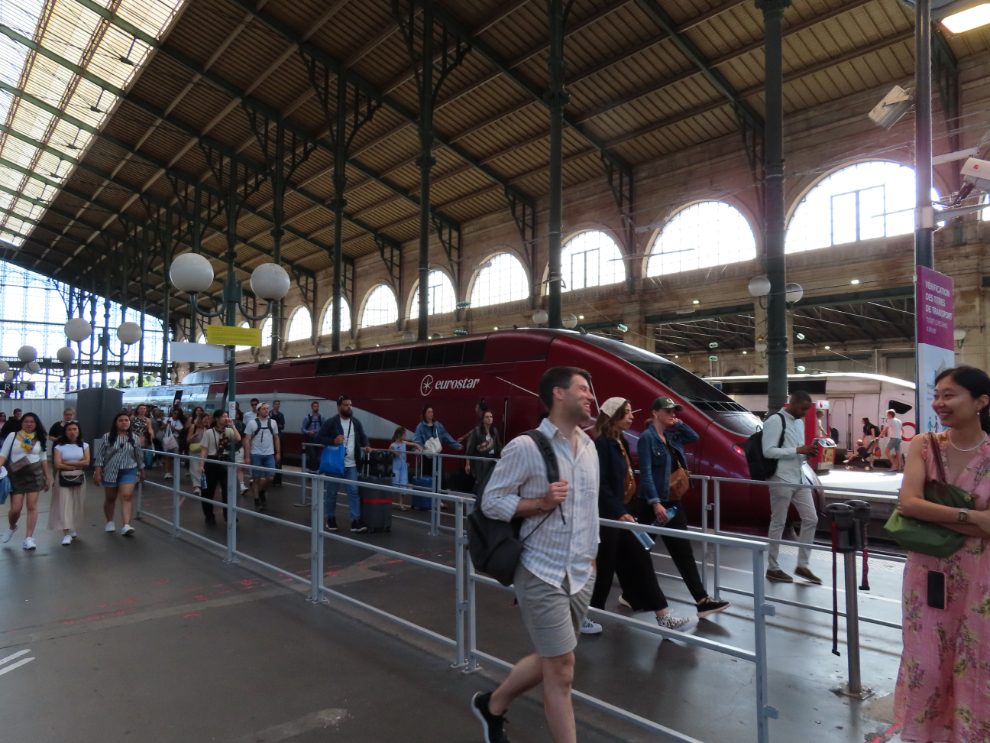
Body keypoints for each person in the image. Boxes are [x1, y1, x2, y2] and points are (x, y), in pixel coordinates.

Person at [473, 367, 599, 743]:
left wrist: (592, 556)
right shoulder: (525, 447)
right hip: (541, 569)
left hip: (580, 573)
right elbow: (491, 502)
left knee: (554, 658)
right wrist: (540, 502)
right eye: (583, 389)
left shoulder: (589, 448)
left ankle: (492, 704)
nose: (590, 396)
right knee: (561, 669)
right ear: (559, 394)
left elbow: (589, 510)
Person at [893, 365, 990, 742]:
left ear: (981, 402)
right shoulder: (925, 444)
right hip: (927, 576)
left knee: (977, 662)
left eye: (949, 395)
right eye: (937, 395)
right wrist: (974, 517)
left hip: (981, 580)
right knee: (927, 662)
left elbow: (920, 507)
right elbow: (908, 504)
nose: (939, 403)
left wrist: (933, 514)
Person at [637, 397, 729, 619]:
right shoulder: (647, 438)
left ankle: (702, 601)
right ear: (655, 412)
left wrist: (678, 423)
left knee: (683, 552)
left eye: (674, 411)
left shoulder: (671, 435)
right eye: (668, 411)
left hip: (673, 503)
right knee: (639, 551)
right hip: (652, 504)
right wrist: (655, 503)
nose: (673, 414)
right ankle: (631, 593)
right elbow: (646, 474)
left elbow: (693, 436)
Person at [761, 391, 822, 584]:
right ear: (793, 404)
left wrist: (806, 453)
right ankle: (773, 567)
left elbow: (797, 451)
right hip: (781, 477)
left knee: (811, 518)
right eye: (803, 408)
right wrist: (797, 450)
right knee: (778, 521)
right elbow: (768, 451)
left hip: (798, 477)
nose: (805, 413)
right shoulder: (775, 421)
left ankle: (802, 565)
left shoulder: (799, 423)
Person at [315, 396, 372, 532]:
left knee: (353, 492)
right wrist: (333, 441)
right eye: (346, 405)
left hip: (351, 464)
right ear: (339, 407)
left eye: (350, 405)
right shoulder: (331, 422)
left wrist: (367, 445)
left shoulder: (356, 422)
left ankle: (355, 521)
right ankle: (331, 519)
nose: (349, 407)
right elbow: (318, 437)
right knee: (331, 492)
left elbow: (363, 436)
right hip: (335, 464)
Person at [0, 412, 51, 551]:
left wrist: (47, 477)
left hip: (35, 475)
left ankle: (29, 538)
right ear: (21, 423)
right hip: (16, 475)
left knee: (32, 506)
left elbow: (43, 458)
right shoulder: (13, 436)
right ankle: (12, 526)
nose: (29, 424)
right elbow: (3, 455)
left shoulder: (39, 438)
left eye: (32, 422)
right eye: (26, 421)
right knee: (15, 509)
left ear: (36, 424)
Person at [94, 412, 145, 537]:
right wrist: (98, 473)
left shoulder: (134, 438)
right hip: (110, 471)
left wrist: (142, 471)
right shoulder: (107, 437)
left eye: (126, 420)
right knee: (110, 498)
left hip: (129, 470)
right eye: (121, 420)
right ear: (116, 423)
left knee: (126, 496)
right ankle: (109, 521)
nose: (124, 423)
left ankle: (126, 525)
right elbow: (100, 456)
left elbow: (138, 455)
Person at [50, 421, 89, 545]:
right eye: (69, 429)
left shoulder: (84, 446)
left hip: (79, 476)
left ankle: (72, 526)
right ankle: (66, 533)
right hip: (63, 477)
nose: (72, 432)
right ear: (65, 432)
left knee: (76, 502)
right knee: (64, 503)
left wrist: (67, 463)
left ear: (78, 431)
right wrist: (77, 463)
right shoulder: (59, 447)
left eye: (74, 429)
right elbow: (57, 464)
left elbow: (87, 462)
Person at [200, 411, 240, 524]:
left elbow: (238, 438)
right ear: (217, 419)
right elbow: (204, 450)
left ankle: (229, 515)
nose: (226, 418)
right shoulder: (209, 432)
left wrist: (233, 426)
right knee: (208, 491)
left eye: (227, 416)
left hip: (225, 460)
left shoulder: (228, 431)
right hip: (212, 461)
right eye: (223, 416)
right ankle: (209, 515)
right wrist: (201, 465)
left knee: (228, 490)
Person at [243, 402, 280, 512]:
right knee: (256, 479)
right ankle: (256, 500)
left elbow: (276, 438)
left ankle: (261, 492)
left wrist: (278, 452)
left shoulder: (273, 423)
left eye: (267, 408)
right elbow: (247, 440)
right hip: (256, 454)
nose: (266, 410)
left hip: (269, 454)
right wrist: (247, 456)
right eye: (263, 409)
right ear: (258, 411)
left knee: (270, 477)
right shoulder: (252, 423)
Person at [415, 405, 462, 480]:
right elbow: (417, 440)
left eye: (432, 412)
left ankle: (439, 487)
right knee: (428, 476)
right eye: (429, 412)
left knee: (438, 476)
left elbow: (446, 436)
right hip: (427, 456)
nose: (431, 414)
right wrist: (417, 449)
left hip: (437, 455)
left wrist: (456, 445)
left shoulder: (438, 425)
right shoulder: (420, 427)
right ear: (424, 414)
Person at [465, 409, 502, 497]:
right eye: (487, 417)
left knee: (489, 482)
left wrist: (505, 457)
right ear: (483, 420)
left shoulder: (494, 431)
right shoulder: (477, 431)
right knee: (479, 483)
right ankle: (476, 499)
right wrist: (467, 464)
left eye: (491, 417)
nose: (489, 418)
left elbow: (499, 446)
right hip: (480, 460)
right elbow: (470, 449)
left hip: (491, 459)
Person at [389, 426, 421, 510]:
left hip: (403, 466)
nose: (405, 436)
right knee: (394, 482)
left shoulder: (404, 443)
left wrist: (419, 448)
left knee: (403, 483)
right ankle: (389, 500)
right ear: (399, 435)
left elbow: (415, 444)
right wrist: (394, 455)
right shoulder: (392, 446)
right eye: (404, 435)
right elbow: (389, 456)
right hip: (395, 466)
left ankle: (401, 503)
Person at [160, 407, 185, 480]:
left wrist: (174, 428)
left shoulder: (179, 421)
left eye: (177, 414)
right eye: (174, 413)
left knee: (174, 456)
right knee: (166, 456)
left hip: (174, 438)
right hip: (167, 437)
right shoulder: (167, 419)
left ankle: (171, 471)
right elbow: (161, 428)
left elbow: (181, 431)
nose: (175, 415)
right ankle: (167, 472)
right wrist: (166, 425)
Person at [186, 412, 208, 496]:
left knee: (203, 469)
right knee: (194, 469)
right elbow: (188, 440)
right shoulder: (193, 427)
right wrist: (193, 437)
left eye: (207, 419)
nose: (206, 421)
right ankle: (197, 487)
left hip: (205, 451)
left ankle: (203, 486)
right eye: (205, 419)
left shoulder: (208, 428)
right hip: (194, 451)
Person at [301, 401, 325, 471]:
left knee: (317, 456)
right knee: (313, 455)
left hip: (318, 438)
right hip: (310, 438)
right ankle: (312, 472)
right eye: (315, 406)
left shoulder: (321, 418)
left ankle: (314, 471)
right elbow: (303, 429)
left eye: (317, 406)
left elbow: (324, 428)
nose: (316, 408)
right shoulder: (307, 418)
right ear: (312, 408)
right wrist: (308, 432)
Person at [131, 404, 154, 468]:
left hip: (144, 438)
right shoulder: (132, 418)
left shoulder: (148, 420)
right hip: (134, 437)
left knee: (143, 453)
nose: (143, 410)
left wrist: (152, 434)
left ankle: (142, 467)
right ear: (138, 410)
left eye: (144, 409)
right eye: (141, 408)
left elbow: (150, 428)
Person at [881, 408, 904, 473]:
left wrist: (879, 437)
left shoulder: (890, 421)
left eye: (887, 414)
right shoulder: (898, 421)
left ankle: (894, 465)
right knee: (898, 453)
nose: (887, 416)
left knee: (886, 451)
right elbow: (902, 431)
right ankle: (899, 467)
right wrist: (899, 435)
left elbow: (884, 430)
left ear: (890, 414)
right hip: (899, 438)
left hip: (893, 438)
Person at [271, 400, 286, 485]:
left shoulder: (281, 415)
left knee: (278, 459)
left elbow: (282, 426)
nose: (277, 405)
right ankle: (272, 478)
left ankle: (278, 479)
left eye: (278, 404)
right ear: (273, 405)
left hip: (278, 436)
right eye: (276, 404)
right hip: (271, 437)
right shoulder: (269, 414)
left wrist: (279, 425)